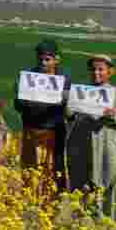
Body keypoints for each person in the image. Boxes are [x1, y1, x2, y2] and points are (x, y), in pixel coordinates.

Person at [66, 55, 116, 221]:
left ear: (110, 72)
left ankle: (105, 222)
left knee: (107, 180)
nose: (96, 72)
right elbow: (69, 116)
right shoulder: (81, 92)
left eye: (100, 69)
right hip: (82, 144)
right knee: (82, 182)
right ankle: (81, 221)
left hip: (107, 145)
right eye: (93, 69)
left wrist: (113, 117)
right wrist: (69, 108)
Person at [14, 39, 70, 197]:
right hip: (32, 130)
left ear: (56, 59)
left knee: (54, 169)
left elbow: (68, 109)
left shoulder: (64, 79)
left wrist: (64, 98)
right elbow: (18, 106)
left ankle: (52, 206)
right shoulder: (28, 79)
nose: (43, 63)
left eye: (47, 59)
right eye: (41, 59)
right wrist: (20, 96)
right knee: (30, 167)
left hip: (54, 132)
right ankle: (29, 200)